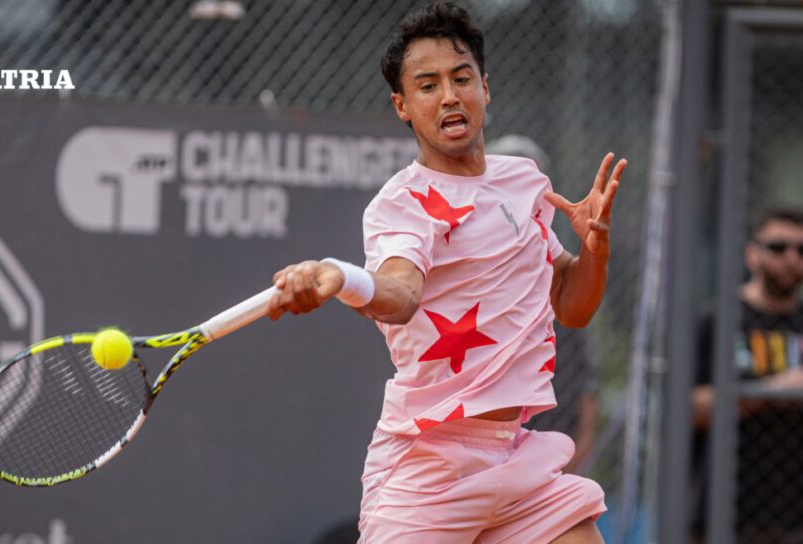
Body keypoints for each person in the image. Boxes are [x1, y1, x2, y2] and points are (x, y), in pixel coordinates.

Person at [266, 3, 626, 542]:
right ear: (403, 106)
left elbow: (572, 305)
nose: (450, 95)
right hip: (428, 465)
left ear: (486, 87)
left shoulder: (523, 182)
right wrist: (343, 278)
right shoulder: (403, 204)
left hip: (517, 455)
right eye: (428, 85)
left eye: (462, 79)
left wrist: (594, 248)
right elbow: (399, 292)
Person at [486, 135, 600, 475]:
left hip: (550, 457)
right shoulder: (458, 258)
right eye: (506, 180)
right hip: (478, 452)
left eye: (530, 181)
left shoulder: (560, 265)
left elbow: (587, 386)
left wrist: (573, 461)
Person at [692, 207, 803, 542]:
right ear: (752, 254)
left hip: (794, 516)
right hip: (724, 511)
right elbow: (693, 408)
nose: (791, 258)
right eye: (778, 247)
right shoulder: (717, 319)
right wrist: (779, 389)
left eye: (801, 250)